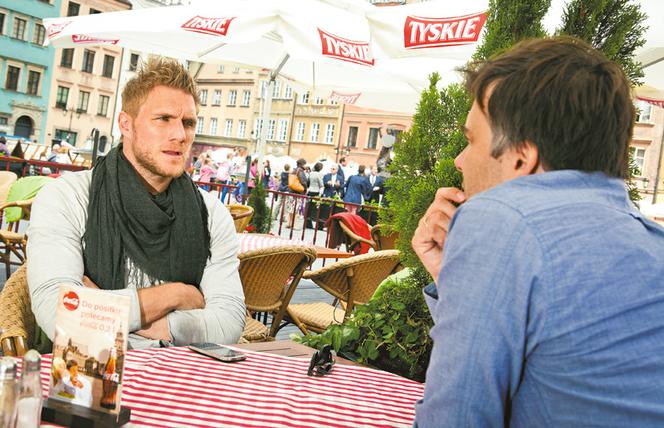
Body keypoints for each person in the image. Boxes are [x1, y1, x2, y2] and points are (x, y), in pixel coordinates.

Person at [412, 37, 664, 427]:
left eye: (470, 139)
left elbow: (455, 417)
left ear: (521, 157)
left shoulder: (496, 218)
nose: (460, 160)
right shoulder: (651, 244)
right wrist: (451, 277)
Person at [27, 56, 246, 349]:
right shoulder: (67, 197)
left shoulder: (211, 214)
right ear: (126, 124)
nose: (180, 135)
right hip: (88, 379)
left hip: (181, 380)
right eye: (163, 119)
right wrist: (178, 295)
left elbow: (228, 324)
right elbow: (58, 314)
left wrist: (103, 307)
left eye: (188, 123)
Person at [287, 158, 308, 229]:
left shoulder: (294, 170)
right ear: (302, 164)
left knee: (291, 208)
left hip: (291, 191)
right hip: (297, 192)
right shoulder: (300, 171)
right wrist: (305, 188)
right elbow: (303, 181)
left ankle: (289, 223)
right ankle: (294, 224)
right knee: (296, 209)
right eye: (305, 164)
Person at [305, 162, 324, 229]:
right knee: (315, 208)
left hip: (310, 191)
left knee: (309, 208)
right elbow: (321, 184)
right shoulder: (319, 174)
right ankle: (314, 222)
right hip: (316, 192)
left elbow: (308, 182)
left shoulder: (311, 173)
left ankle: (307, 223)